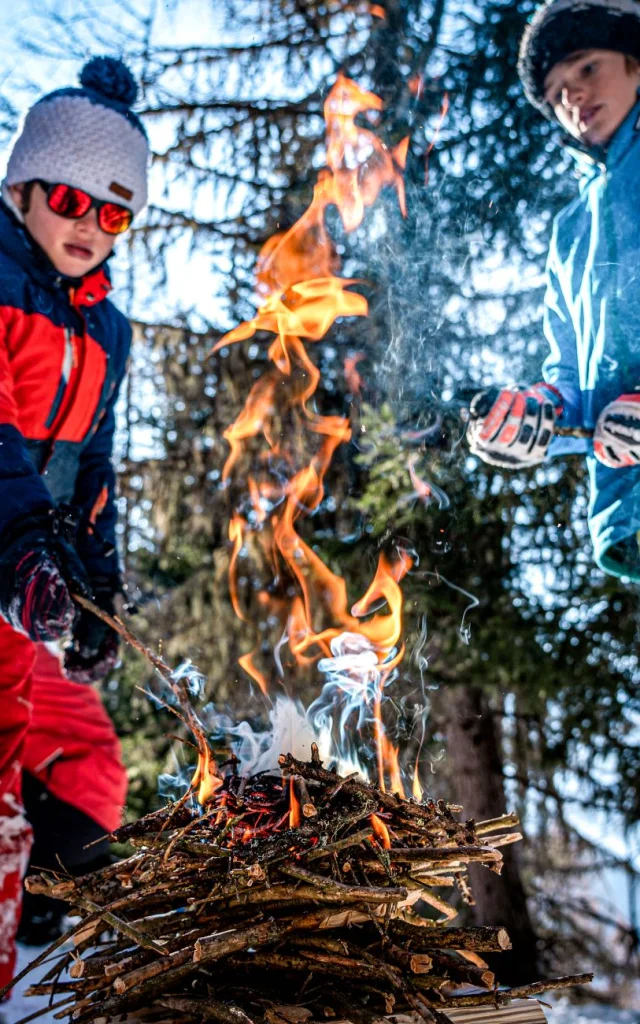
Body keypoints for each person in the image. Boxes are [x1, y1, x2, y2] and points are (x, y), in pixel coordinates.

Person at [0, 56, 148, 990]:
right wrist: (20, 548)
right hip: (6, 556)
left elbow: (88, 464)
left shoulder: (108, 330)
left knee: (67, 763)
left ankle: (33, 931)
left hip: (18, 589)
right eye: (69, 197)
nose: (89, 226)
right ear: (21, 186)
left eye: (115, 213)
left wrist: (95, 588)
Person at [467, 0, 640, 581]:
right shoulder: (571, 232)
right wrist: (533, 420)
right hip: (629, 518)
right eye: (556, 89)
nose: (572, 96)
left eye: (586, 67)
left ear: (635, 62)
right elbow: (572, 378)